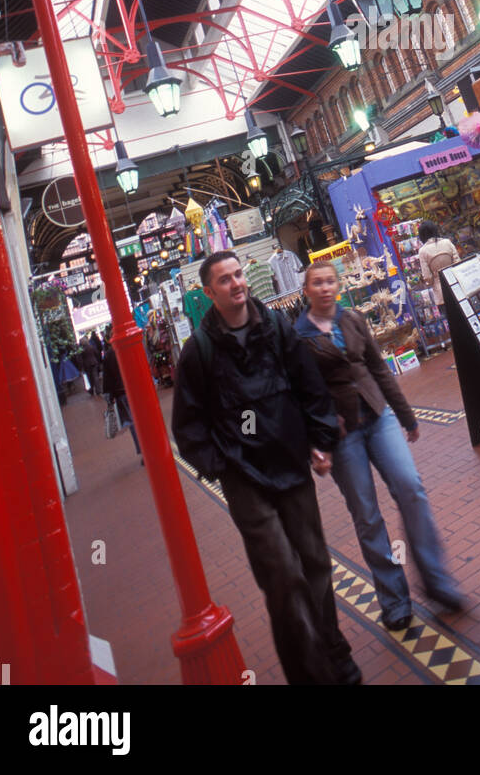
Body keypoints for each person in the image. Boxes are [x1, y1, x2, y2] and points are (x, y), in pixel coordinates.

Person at [172, 250, 361, 686]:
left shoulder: (275, 327)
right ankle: (311, 674)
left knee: (314, 561)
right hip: (245, 478)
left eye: (239, 275)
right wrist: (221, 467)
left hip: (289, 461)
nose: (238, 283)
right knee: (282, 575)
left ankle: (333, 649)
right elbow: (188, 425)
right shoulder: (198, 352)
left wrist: (319, 439)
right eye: (225, 280)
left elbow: (308, 384)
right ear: (208, 292)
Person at [295, 262, 466, 630]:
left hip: (378, 417)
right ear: (306, 290)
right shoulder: (298, 337)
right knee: (368, 516)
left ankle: (437, 581)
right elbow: (300, 396)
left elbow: (378, 368)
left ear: (338, 286)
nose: (325, 288)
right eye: (317, 283)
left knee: (411, 488)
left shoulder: (352, 319)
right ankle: (394, 600)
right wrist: (315, 443)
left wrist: (406, 415)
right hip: (341, 435)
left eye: (330, 281)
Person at [102, 326, 143, 461]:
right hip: (135, 388)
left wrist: (110, 397)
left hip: (121, 393)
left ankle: (142, 451)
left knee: (132, 422)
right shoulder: (128, 348)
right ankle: (147, 446)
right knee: (141, 419)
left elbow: (107, 378)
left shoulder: (108, 355)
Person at [416, 221, 460, 308]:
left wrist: (431, 282)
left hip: (441, 293)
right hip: (457, 285)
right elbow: (458, 263)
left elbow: (427, 277)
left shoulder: (423, 251)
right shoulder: (447, 242)